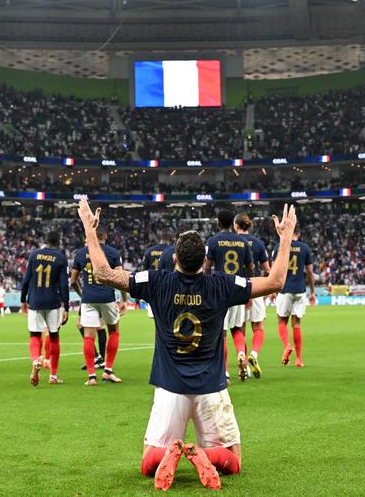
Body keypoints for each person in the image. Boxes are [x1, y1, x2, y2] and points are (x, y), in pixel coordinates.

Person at [76, 199, 297, 490]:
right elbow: (276, 281)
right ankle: (203, 454)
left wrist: (90, 231)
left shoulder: (156, 281)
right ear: (204, 260)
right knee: (233, 460)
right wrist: (285, 237)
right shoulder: (221, 285)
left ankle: (170, 452)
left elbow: (104, 274)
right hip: (211, 388)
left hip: (170, 388)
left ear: (175, 259)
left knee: (147, 461)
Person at [71, 225, 128, 386]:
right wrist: (124, 299)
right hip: (107, 296)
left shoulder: (81, 253)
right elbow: (120, 277)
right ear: (106, 236)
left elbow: (73, 281)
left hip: (88, 298)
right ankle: (108, 371)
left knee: (89, 335)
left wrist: (83, 294)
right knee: (114, 331)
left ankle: (91, 376)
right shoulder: (112, 252)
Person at [204, 209, 253, 381]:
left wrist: (206, 287)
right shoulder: (242, 241)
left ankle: (224, 371)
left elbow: (207, 268)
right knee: (237, 328)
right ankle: (241, 354)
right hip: (238, 290)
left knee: (221, 333)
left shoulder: (213, 241)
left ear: (218, 223)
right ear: (233, 223)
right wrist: (249, 293)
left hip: (219, 291)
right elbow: (250, 268)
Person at [21, 231, 70, 386]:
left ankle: (36, 359)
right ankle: (53, 376)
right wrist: (66, 306)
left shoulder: (34, 255)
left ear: (45, 241)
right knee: (54, 336)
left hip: (35, 300)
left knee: (35, 335)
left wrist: (23, 299)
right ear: (58, 242)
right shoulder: (61, 258)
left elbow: (26, 279)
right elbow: (63, 285)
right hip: (53, 301)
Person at [234, 213, 270, 378]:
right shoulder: (258, 244)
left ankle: (243, 361)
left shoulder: (231, 242)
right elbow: (267, 270)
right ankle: (254, 355)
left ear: (236, 226)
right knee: (258, 327)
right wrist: (267, 290)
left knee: (239, 329)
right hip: (254, 287)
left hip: (235, 289)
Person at [275, 228, 314, 368]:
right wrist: (312, 292)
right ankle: (298, 359)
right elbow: (309, 272)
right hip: (300, 290)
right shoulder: (305, 248)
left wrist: (272, 289)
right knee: (296, 324)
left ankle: (287, 345)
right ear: (298, 234)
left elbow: (276, 269)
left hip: (285, 289)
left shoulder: (281, 246)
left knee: (281, 321)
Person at [141, 229, 175, 318]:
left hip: (153, 287)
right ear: (171, 238)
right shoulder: (173, 251)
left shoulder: (149, 251)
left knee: (156, 318)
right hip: (170, 286)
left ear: (160, 237)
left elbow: (142, 271)